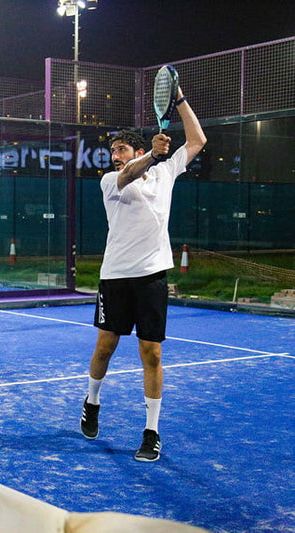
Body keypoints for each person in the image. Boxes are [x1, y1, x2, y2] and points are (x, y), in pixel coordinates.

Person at [80, 86, 207, 462]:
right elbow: (128, 177)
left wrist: (180, 98)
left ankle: (151, 432)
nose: (114, 156)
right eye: (112, 151)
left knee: (151, 353)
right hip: (115, 277)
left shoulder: (167, 171)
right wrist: (152, 153)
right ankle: (92, 401)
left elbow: (198, 139)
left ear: (133, 150)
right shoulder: (110, 180)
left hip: (152, 276)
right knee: (105, 347)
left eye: (120, 150)